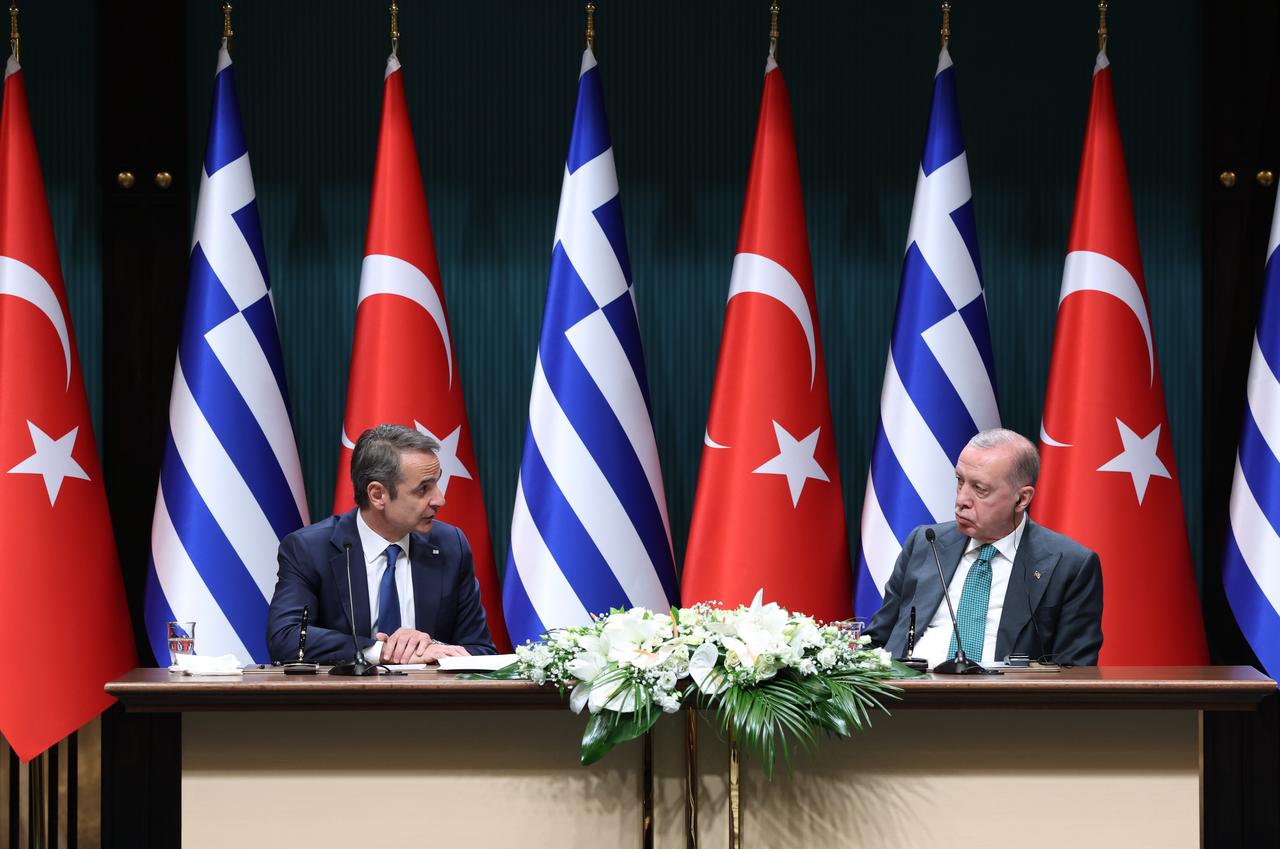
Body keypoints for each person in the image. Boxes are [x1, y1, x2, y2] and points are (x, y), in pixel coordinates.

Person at [865, 428, 1103, 667]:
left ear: (1022, 499)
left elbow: (1076, 671)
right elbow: (877, 640)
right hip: (906, 694)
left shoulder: (1070, 565)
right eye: (960, 481)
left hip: (1002, 699)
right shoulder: (925, 543)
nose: (961, 501)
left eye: (980, 489)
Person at [266, 424, 496, 664]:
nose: (440, 499)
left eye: (436, 484)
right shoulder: (311, 549)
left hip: (432, 698)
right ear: (377, 495)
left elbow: (480, 650)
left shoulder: (450, 546)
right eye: (423, 489)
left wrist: (430, 647)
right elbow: (286, 639)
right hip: (344, 699)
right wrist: (382, 651)